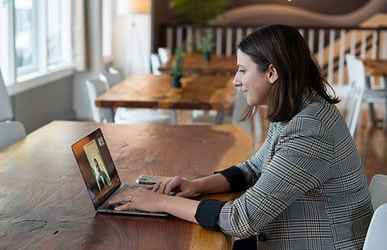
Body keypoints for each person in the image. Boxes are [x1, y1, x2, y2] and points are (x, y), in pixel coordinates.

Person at [109, 24, 373, 249]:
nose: (236, 81)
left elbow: (242, 219)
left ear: (271, 73)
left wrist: (161, 203)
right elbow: (254, 168)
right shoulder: (299, 108)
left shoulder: (310, 129)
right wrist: (198, 185)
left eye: (242, 70)